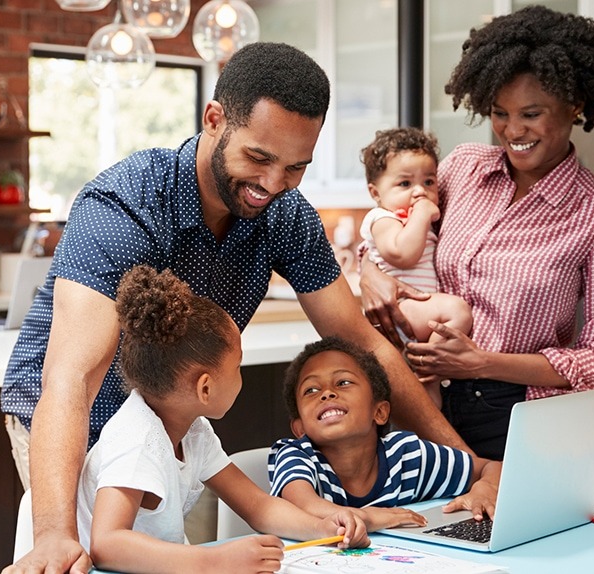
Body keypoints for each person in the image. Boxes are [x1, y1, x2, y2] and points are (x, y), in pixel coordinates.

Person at [1, 42, 473, 574]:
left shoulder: (286, 216)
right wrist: (53, 535)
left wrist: (475, 470)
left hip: (174, 420)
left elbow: (361, 343)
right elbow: (71, 378)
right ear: (214, 120)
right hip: (75, 418)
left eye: (295, 167)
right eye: (259, 157)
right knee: (84, 556)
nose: (273, 185)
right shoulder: (125, 204)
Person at [359, 6, 594, 461]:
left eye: (531, 113)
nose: (513, 131)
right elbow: (393, 226)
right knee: (420, 527)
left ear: (575, 105)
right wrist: (369, 274)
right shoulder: (462, 167)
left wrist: (482, 362)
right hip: (417, 389)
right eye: (499, 112)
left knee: (496, 529)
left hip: (509, 410)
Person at [75, 266, 368, 573]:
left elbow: (258, 506)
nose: (240, 376)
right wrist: (215, 561)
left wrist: (323, 527)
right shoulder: (136, 438)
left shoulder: (193, 431)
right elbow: (107, 544)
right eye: (237, 365)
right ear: (205, 388)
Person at [269, 337, 501, 532]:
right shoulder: (296, 455)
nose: (327, 393)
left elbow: (494, 467)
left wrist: (485, 488)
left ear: (379, 412)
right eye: (311, 390)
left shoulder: (408, 456)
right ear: (299, 429)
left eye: (343, 382)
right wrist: (367, 517)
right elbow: (303, 505)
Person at [356, 128, 473, 407]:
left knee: (428, 405)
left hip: (417, 309)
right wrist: (422, 213)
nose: (420, 191)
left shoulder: (413, 221)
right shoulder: (382, 218)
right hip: (401, 306)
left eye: (429, 181)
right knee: (458, 311)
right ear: (376, 192)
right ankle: (428, 361)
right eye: (405, 184)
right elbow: (402, 254)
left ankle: (426, 381)